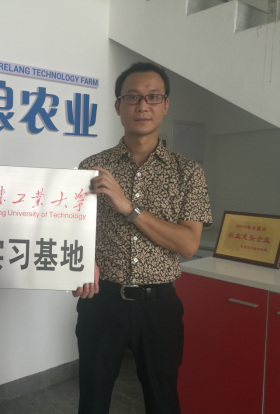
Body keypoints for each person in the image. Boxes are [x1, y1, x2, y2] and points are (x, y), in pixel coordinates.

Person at [73, 62, 212, 414]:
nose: (143, 106)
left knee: (162, 400)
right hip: (101, 302)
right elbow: (74, 230)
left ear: (165, 105)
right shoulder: (92, 167)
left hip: (159, 307)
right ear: (118, 106)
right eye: (132, 97)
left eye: (153, 97)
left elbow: (188, 244)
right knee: (92, 398)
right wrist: (78, 266)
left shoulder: (188, 172)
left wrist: (128, 208)